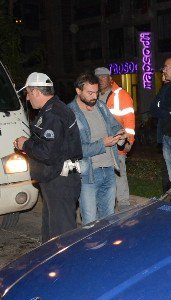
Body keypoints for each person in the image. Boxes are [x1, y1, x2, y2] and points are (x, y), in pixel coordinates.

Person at [13, 72, 82, 242]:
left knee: (62, 236)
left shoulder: (53, 114)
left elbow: (48, 153)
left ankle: (65, 267)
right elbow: (52, 146)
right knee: (51, 232)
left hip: (60, 180)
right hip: (55, 178)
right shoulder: (52, 110)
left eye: (28, 93)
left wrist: (25, 144)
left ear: (36, 91)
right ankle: (50, 266)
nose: (28, 99)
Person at [68, 73, 125, 225]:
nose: (94, 96)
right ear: (78, 91)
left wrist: (120, 133)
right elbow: (75, 150)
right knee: (91, 222)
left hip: (108, 170)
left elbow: (114, 126)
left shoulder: (100, 106)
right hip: (88, 175)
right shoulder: (70, 114)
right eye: (90, 93)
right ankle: (91, 249)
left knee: (109, 219)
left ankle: (108, 248)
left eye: (96, 92)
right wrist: (103, 144)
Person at [95, 67, 136, 212]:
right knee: (103, 176)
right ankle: (107, 205)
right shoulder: (93, 95)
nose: (100, 80)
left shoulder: (121, 95)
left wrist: (128, 142)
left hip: (117, 143)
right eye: (98, 78)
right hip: (100, 144)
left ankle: (124, 205)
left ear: (110, 78)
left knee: (119, 174)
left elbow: (129, 120)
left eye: (103, 77)